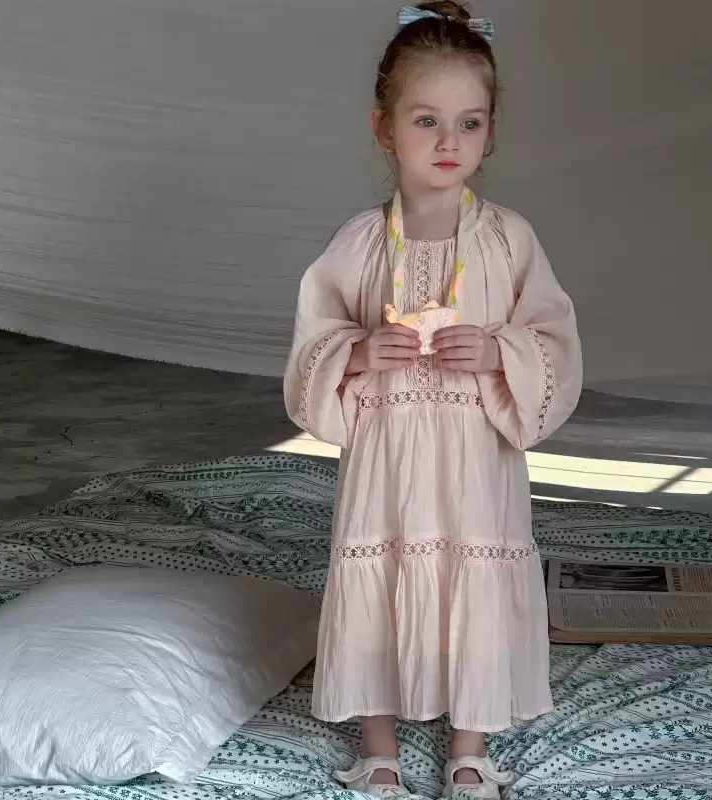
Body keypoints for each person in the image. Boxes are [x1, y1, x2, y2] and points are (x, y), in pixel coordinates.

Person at [284, 3, 582, 797]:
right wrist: (357, 352)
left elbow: (554, 343)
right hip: (387, 461)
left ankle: (468, 749)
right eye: (427, 121)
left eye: (469, 122)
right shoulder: (359, 243)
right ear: (384, 129)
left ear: (490, 131)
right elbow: (313, 346)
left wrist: (498, 352)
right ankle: (377, 749)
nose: (449, 141)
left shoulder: (510, 240)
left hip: (475, 460)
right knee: (380, 576)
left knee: (472, 578)